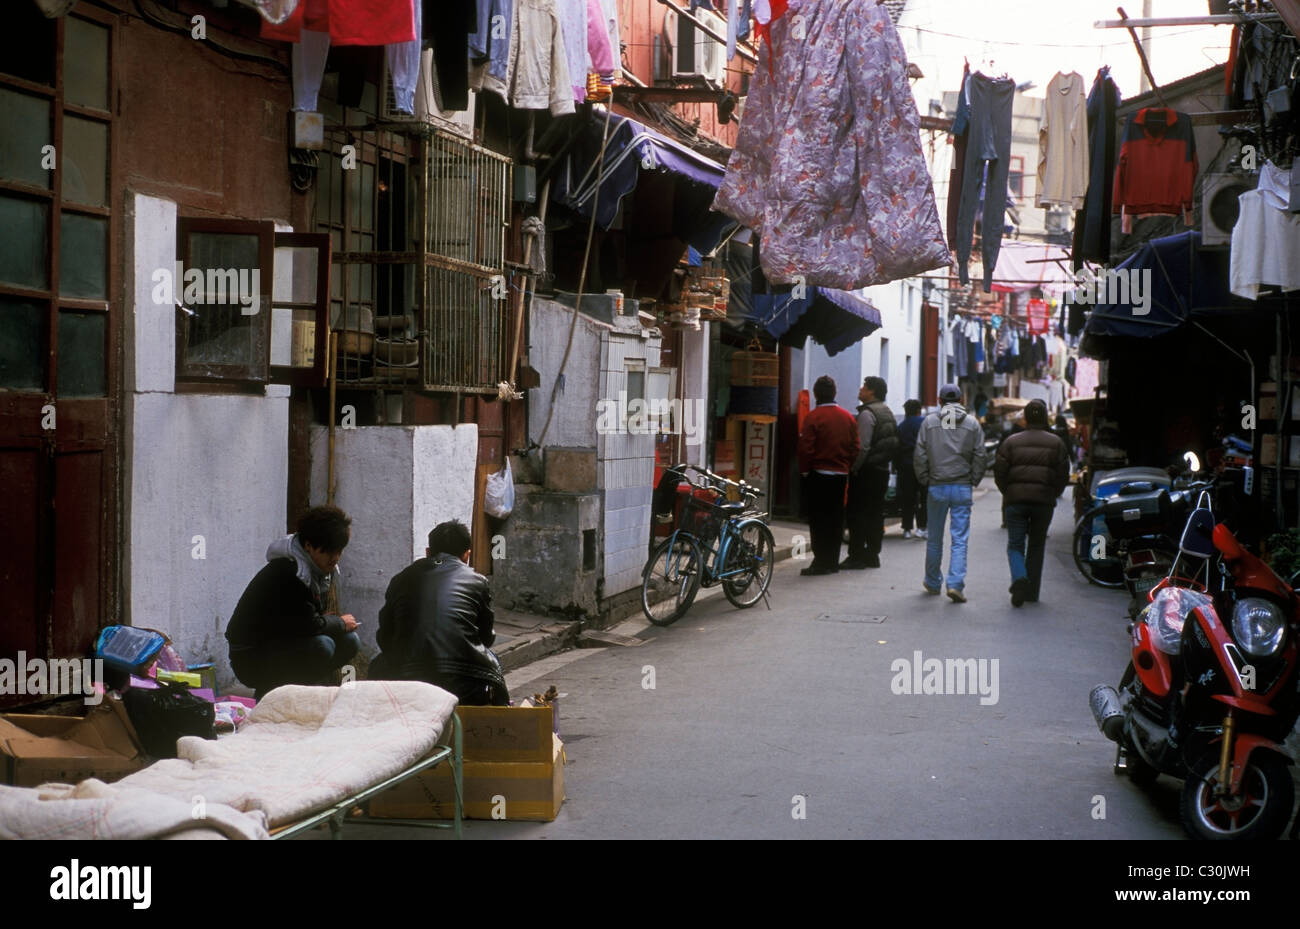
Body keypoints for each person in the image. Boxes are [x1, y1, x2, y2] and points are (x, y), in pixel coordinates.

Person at [226, 505, 361, 700]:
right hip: (249, 657)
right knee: (323, 646)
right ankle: (272, 693)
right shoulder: (291, 572)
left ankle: (303, 691)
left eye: (339, 551)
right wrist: (340, 623)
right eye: (329, 552)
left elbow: (304, 622)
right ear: (308, 545)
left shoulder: (316, 570)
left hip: (280, 644)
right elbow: (309, 625)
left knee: (350, 641)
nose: (335, 558)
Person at [370, 520, 508, 706]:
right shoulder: (478, 581)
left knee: (375, 667)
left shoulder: (400, 579)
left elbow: (384, 637)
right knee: (493, 665)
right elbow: (485, 637)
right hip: (464, 685)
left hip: (406, 679)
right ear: (466, 555)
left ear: (428, 552)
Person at [914, 384, 987, 603]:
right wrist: (973, 479)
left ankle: (933, 581)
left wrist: (925, 479)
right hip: (962, 486)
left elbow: (919, 455)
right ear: (962, 399)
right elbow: (980, 455)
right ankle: (955, 584)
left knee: (934, 538)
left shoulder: (929, 423)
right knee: (959, 539)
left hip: (937, 486)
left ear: (939, 400)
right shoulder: (972, 424)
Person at [995, 399, 1070, 607]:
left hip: (1016, 502)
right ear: (1045, 417)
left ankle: (1019, 577)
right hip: (1043, 503)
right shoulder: (1056, 443)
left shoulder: (1011, 441)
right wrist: (1052, 494)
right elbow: (1063, 474)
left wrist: (1008, 492)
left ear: (1026, 418)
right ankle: (1031, 592)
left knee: (1015, 545)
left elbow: (999, 472)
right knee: (1037, 546)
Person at [797, 375, 860, 576]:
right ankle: (832, 560)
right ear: (834, 393)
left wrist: (805, 471)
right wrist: (846, 464)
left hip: (819, 473)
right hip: (840, 474)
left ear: (816, 394)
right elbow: (855, 447)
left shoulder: (814, 417)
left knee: (818, 518)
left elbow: (806, 448)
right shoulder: (848, 417)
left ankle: (821, 560)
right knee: (835, 517)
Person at [842, 375, 898, 569]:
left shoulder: (867, 414)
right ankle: (873, 554)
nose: (860, 389)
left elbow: (863, 446)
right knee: (875, 514)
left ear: (872, 391)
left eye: (864, 387)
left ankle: (856, 555)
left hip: (867, 471)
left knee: (857, 514)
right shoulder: (887, 411)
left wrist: (854, 468)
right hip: (882, 470)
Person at [895, 399, 928, 539]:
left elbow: (896, 448)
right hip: (923, 466)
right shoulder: (925, 423)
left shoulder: (901, 426)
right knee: (924, 498)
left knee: (908, 498)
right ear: (918, 410)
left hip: (905, 466)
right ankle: (922, 527)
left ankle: (907, 528)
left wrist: (896, 466)